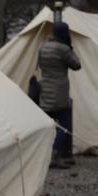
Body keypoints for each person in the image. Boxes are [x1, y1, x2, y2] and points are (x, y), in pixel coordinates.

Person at [38, 20, 81, 169]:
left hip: (45, 91)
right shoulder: (63, 49)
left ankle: (43, 154)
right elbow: (77, 65)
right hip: (60, 93)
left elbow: (41, 66)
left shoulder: (43, 48)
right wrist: (70, 47)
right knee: (64, 125)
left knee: (48, 125)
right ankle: (55, 155)